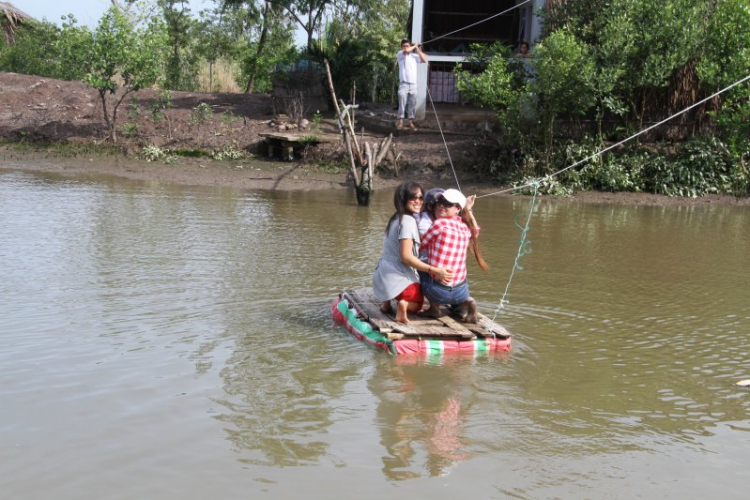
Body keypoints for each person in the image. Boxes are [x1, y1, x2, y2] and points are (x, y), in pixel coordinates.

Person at [373, 181, 453, 324]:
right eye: (413, 198)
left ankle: (386, 302)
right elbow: (406, 257)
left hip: (381, 278)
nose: (418, 201)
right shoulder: (408, 221)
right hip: (397, 281)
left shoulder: (396, 217)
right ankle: (402, 305)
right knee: (418, 304)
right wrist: (435, 270)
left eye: (420, 198)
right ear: (402, 199)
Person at [420, 189, 488, 323]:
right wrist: (468, 209)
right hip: (461, 293)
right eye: (440, 202)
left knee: (420, 265)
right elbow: (476, 231)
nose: (441, 205)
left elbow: (423, 245)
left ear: (457, 208)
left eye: (447, 204)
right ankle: (469, 302)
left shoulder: (439, 224)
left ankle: (434, 307)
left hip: (437, 292)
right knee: (456, 275)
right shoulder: (465, 228)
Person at [396, 38, 427, 132]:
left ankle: (410, 122)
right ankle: (400, 121)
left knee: (412, 104)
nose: (405, 47)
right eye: (404, 45)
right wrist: (414, 45)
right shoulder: (400, 54)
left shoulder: (414, 56)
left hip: (413, 84)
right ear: (402, 47)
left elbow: (424, 59)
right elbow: (406, 50)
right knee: (402, 102)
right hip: (404, 83)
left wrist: (417, 49)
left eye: (407, 45)